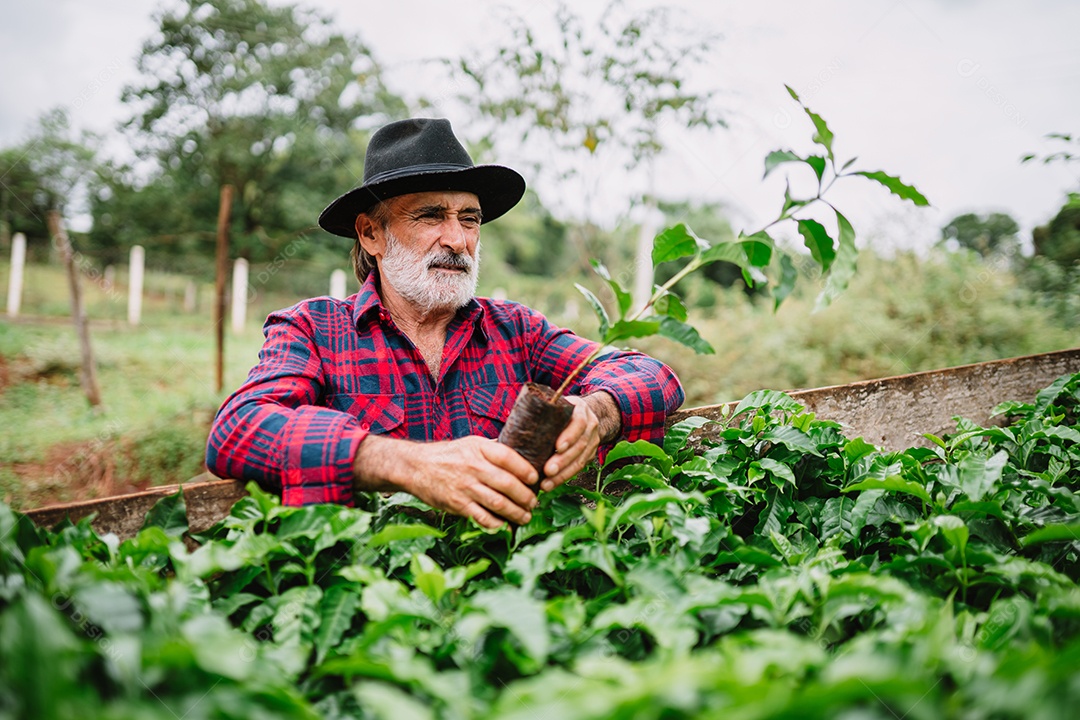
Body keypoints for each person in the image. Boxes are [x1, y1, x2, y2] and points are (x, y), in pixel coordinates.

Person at [205, 118, 684, 529]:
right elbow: (237, 431)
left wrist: (596, 412)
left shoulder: (516, 331)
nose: (457, 239)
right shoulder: (313, 329)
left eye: (470, 219)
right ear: (371, 232)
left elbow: (650, 374)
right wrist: (405, 464)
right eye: (431, 215)